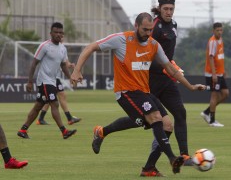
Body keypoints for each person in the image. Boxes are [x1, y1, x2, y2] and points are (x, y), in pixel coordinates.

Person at [71, 12, 205, 174]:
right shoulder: (121, 40)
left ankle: (147, 167)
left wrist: (190, 86)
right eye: (144, 30)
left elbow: (170, 68)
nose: (148, 34)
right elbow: (90, 47)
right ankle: (171, 158)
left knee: (166, 125)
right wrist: (77, 70)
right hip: (126, 92)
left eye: (150, 30)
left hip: (144, 92)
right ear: (136, 26)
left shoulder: (153, 44)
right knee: (155, 118)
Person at [92, 0, 194, 177]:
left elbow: (165, 60)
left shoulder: (173, 27)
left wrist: (184, 80)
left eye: (171, 9)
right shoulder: (151, 28)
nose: (169, 12)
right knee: (145, 120)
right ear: (160, 9)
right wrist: (167, 67)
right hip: (148, 80)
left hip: (166, 78)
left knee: (172, 118)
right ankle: (104, 131)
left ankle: (177, 157)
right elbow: (147, 58)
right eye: (166, 9)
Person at [17, 22, 77, 139]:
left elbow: (64, 65)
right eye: (56, 32)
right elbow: (34, 63)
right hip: (44, 81)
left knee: (38, 106)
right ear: (51, 33)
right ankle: (64, 131)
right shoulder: (45, 46)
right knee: (54, 103)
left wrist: (70, 78)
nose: (58, 34)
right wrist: (30, 81)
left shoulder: (62, 49)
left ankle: (23, 130)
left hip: (52, 81)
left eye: (60, 32)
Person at [36, 35, 81, 126]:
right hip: (51, 78)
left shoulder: (62, 49)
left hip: (54, 78)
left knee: (49, 99)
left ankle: (41, 118)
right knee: (61, 95)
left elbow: (65, 63)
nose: (61, 37)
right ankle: (69, 118)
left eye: (63, 36)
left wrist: (71, 65)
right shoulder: (49, 47)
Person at [200, 22, 229, 127]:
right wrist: (214, 74)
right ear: (213, 31)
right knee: (214, 95)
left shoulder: (220, 40)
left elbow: (219, 56)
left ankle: (207, 112)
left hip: (220, 73)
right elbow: (211, 57)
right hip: (213, 74)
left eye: (221, 30)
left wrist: (223, 70)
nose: (220, 32)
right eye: (217, 30)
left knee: (225, 93)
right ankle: (212, 121)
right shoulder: (212, 42)